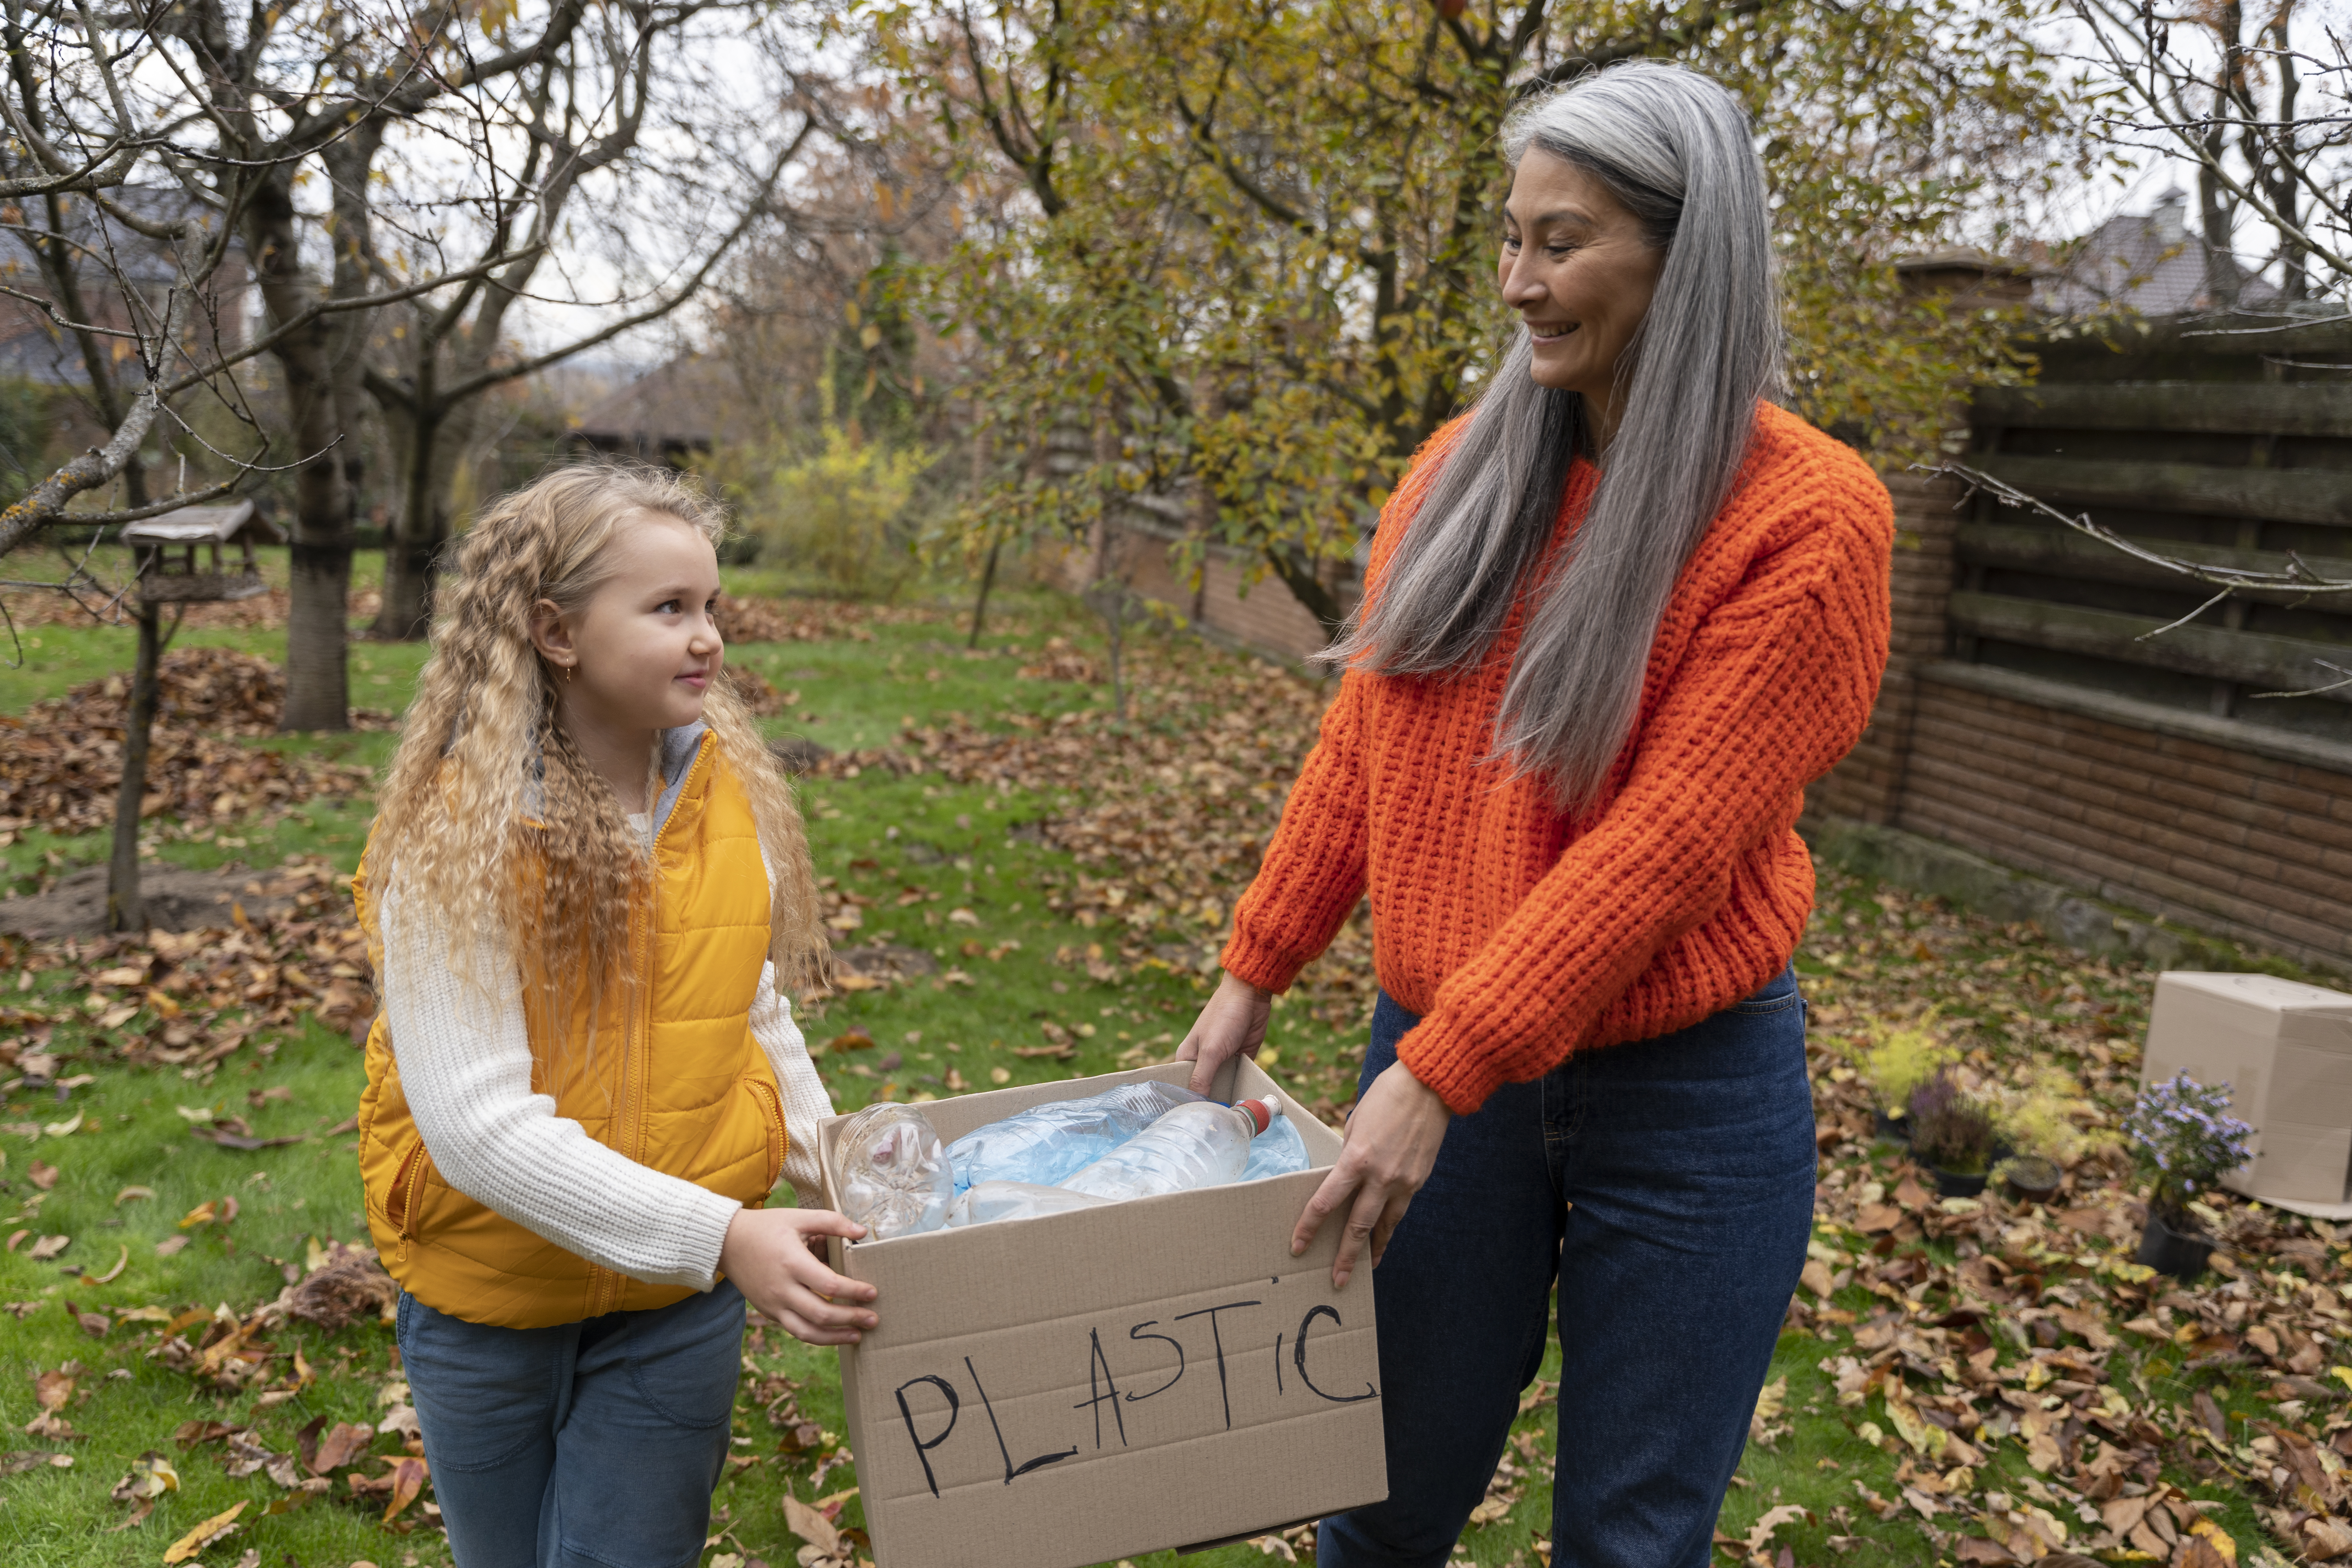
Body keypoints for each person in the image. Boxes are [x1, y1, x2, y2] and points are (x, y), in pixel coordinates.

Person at [1176, 62, 1893, 1568]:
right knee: (1377, 1504)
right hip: (1446, 1065)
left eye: (1561, 243)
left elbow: (1673, 845)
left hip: (1689, 1098)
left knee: (1633, 1537)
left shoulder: (1808, 520)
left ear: (1684, 253)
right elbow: (1369, 736)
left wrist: (1442, 1070)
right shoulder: (1460, 474)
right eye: (1511, 238)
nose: (1517, 281)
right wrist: (1260, 962)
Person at [352, 465, 879, 1568]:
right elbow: (476, 1126)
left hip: (675, 1311)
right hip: (493, 1295)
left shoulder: (719, 799)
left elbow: (751, 1008)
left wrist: (838, 1168)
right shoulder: (459, 840)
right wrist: (727, 1238)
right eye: (669, 609)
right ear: (555, 631)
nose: (709, 639)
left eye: (713, 608)